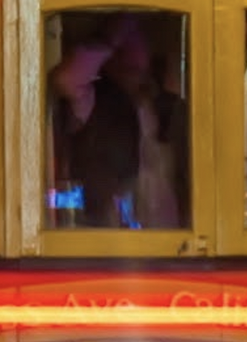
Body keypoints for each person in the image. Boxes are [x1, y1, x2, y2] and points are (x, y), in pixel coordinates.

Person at [49, 14, 185, 229]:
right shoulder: (94, 100)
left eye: (137, 41)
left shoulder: (168, 106)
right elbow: (67, 79)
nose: (134, 53)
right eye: (124, 45)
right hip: (106, 235)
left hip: (167, 240)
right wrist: (111, 36)